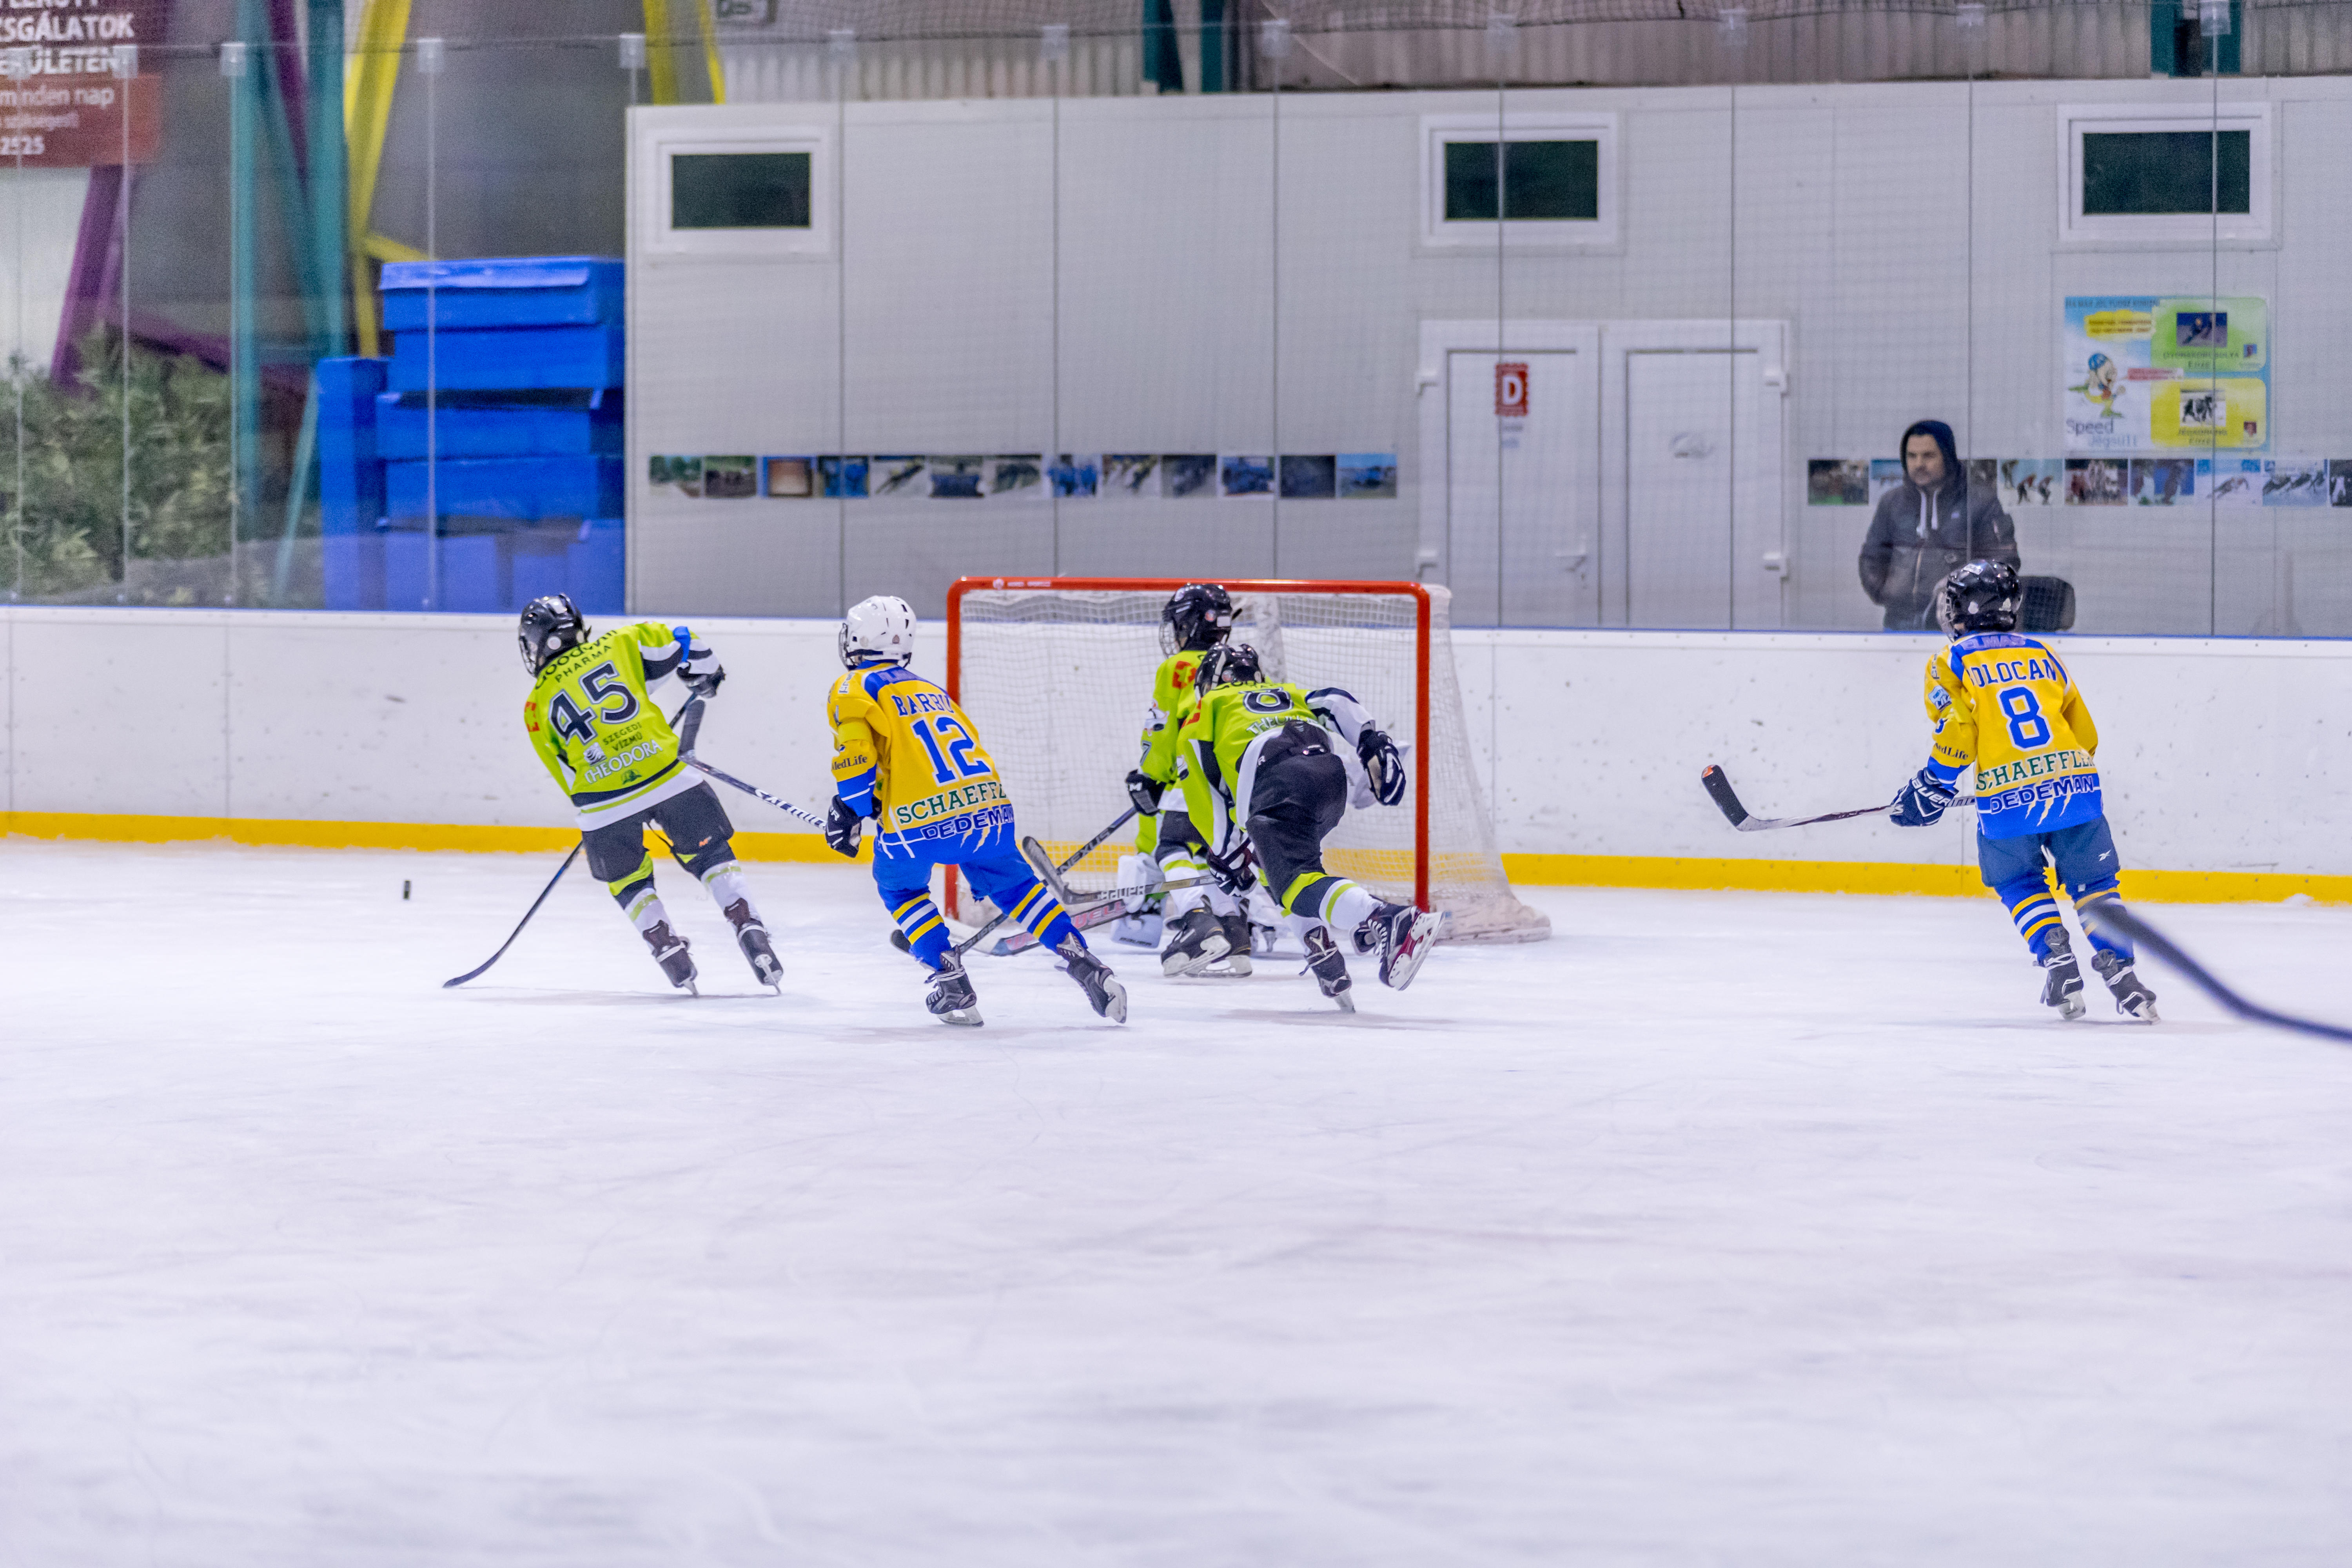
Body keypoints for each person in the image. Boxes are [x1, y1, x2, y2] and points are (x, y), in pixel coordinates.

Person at [823, 593, 1126, 1027]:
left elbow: (856, 756)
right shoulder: (931, 690)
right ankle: (1085, 962)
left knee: (901, 887)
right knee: (1018, 888)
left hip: (921, 822)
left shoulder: (854, 687)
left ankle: (950, 978)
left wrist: (849, 808)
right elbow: (922, 757)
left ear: (856, 640)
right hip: (988, 811)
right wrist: (879, 797)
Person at [1887, 561, 2158, 1022]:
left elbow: (1958, 733)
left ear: (1958, 611)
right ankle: (2122, 972)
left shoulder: (1949, 661)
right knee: (2094, 885)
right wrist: (2055, 772)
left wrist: (1933, 784)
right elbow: (2085, 736)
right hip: (2076, 789)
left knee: (2019, 880)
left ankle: (2057, 957)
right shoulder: (2042, 653)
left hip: (2007, 803)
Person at [1144, 642, 1439, 1010]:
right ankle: (1321, 951)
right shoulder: (1287, 693)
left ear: (1210, 682)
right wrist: (1370, 741)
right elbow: (1334, 700)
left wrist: (1227, 855)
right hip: (1330, 778)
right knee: (1294, 872)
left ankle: (1386, 917)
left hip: (1277, 779)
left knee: (1295, 885)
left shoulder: (1205, 710)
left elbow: (1204, 799)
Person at [518, 593, 780, 994]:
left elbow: (568, 777)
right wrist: (705, 676)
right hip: (667, 775)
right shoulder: (620, 643)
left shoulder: (535, 705)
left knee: (628, 880)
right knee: (710, 855)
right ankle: (749, 925)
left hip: (602, 802)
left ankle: (666, 948)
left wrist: (597, 813)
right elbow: (684, 639)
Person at [1124, 582, 1257, 977]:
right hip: (1240, 784)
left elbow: (1163, 730)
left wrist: (1151, 776)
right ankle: (1235, 934)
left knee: (1171, 846)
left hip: (1194, 775)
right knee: (1217, 856)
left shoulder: (1177, 667)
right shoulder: (1240, 662)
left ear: (1190, 624)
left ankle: (1198, 922)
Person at [1858, 419, 2019, 631]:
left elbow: (2003, 563)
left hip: (1959, 626)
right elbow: (1872, 557)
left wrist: (1963, 599)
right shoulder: (1892, 503)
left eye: (1928, 456)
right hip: (1898, 624)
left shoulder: (1980, 501)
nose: (1919, 464)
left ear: (1948, 457)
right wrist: (1888, 592)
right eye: (1912, 456)